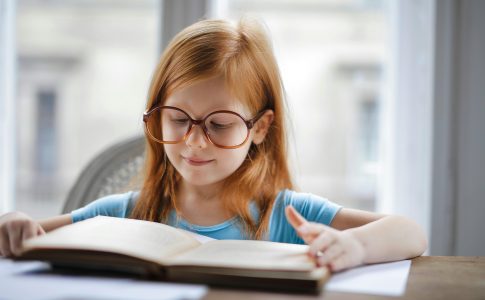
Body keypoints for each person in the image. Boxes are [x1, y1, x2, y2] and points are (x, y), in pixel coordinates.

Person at [0, 19, 427, 272]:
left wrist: (357, 247)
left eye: (219, 125)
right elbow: (28, 238)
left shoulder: (287, 214)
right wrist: (13, 222)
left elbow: (410, 233)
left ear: (260, 128)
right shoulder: (124, 213)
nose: (194, 141)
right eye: (179, 120)